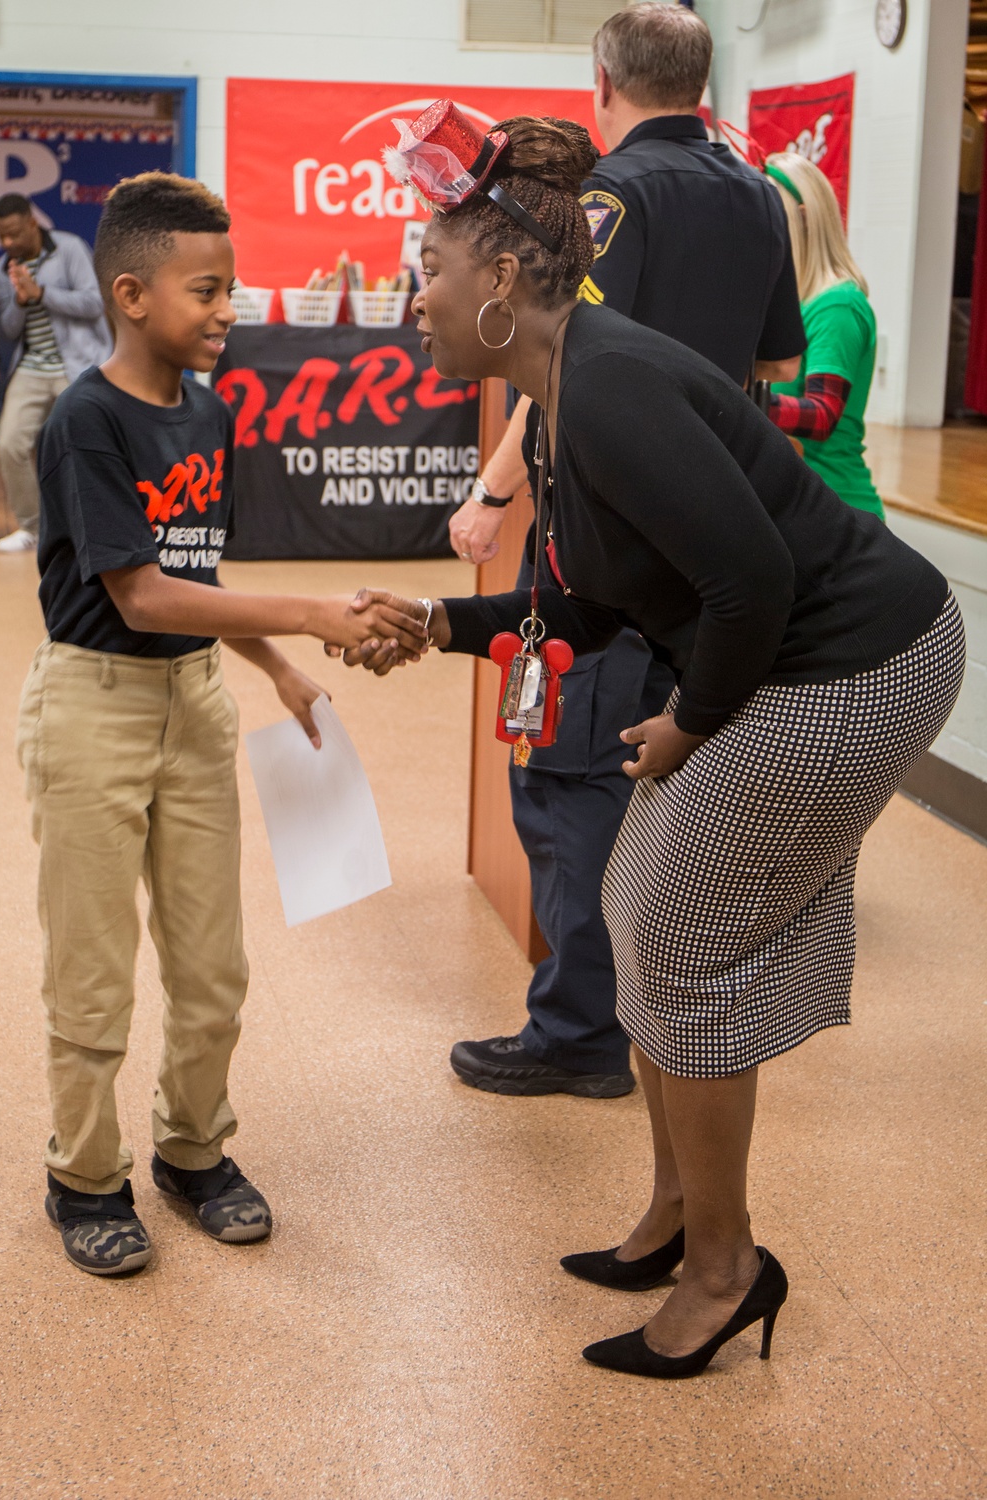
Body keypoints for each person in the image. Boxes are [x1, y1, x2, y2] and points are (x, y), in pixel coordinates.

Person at [350, 105, 963, 1376]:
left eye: (430, 270)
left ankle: (727, 1269)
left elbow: (751, 587)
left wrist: (687, 726)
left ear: (507, 279)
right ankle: (680, 1213)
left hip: (859, 662)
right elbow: (595, 597)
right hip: (800, 653)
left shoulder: (611, 386)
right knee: (635, 908)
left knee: (679, 945)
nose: (416, 297)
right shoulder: (569, 385)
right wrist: (436, 621)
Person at [15, 172, 424, 1277]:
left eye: (230, 288)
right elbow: (140, 594)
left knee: (213, 969)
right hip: (93, 707)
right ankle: (83, 1176)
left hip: (191, 701)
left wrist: (277, 666)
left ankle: (193, 1152)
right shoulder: (87, 422)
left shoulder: (207, 409)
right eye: (207, 291)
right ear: (134, 295)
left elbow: (196, 572)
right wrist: (307, 610)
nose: (227, 310)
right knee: (94, 976)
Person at [445, 3, 806, 1101]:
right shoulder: (757, 194)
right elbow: (773, 360)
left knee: (566, 778)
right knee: (656, 770)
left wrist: (490, 493)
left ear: (602, 78)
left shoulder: (613, 196)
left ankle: (578, 1032)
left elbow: (562, 359)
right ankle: (641, 1005)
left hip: (602, 519)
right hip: (708, 526)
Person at [764, 153, 885, 519]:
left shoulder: (837, 305)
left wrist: (730, 400)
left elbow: (821, 416)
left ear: (801, 217)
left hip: (840, 512)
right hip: (801, 504)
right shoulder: (795, 301)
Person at [0, 192, 113, 552]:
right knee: (9, 443)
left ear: (32, 222)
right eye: (2, 236)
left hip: (76, 366)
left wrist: (42, 292)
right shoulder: (4, 269)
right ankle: (33, 527)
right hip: (31, 367)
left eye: (14, 232)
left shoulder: (69, 249)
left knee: (83, 446)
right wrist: (20, 298)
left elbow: (94, 303)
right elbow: (11, 330)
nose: (9, 242)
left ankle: (90, 527)